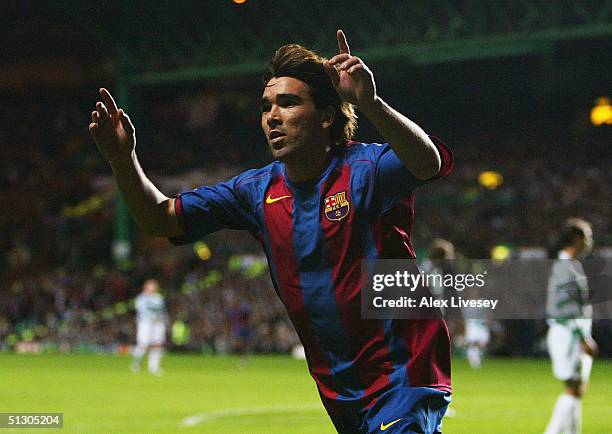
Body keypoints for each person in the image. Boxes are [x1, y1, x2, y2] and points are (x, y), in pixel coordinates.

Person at [90, 30, 453, 433]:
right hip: (341, 392)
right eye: (266, 107)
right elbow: (161, 218)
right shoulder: (255, 191)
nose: (272, 116)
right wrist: (123, 160)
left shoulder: (367, 168)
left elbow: (428, 164)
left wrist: (370, 103)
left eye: (289, 102)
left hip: (405, 374)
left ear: (327, 116)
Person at [544, 218, 597, 434]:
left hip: (568, 333)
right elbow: (567, 307)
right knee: (572, 388)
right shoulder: (565, 267)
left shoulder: (567, 265)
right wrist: (583, 336)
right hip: (568, 334)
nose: (590, 241)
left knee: (577, 389)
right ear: (576, 238)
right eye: (587, 235)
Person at [131, 279, 167, 376]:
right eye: (150, 285)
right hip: (145, 323)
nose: (153, 287)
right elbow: (141, 311)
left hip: (158, 324)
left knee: (157, 344)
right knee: (144, 344)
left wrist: (163, 321)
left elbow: (162, 311)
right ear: (146, 287)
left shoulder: (159, 298)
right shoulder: (141, 298)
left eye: (154, 286)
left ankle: (153, 367)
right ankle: (136, 363)